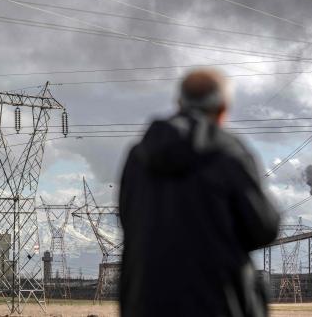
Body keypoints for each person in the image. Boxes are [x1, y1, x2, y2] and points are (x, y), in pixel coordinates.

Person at [119, 69, 280, 316]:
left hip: (144, 303)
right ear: (223, 108)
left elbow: (127, 219)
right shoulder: (229, 152)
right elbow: (263, 229)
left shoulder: (137, 156)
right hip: (217, 302)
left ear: (179, 103)